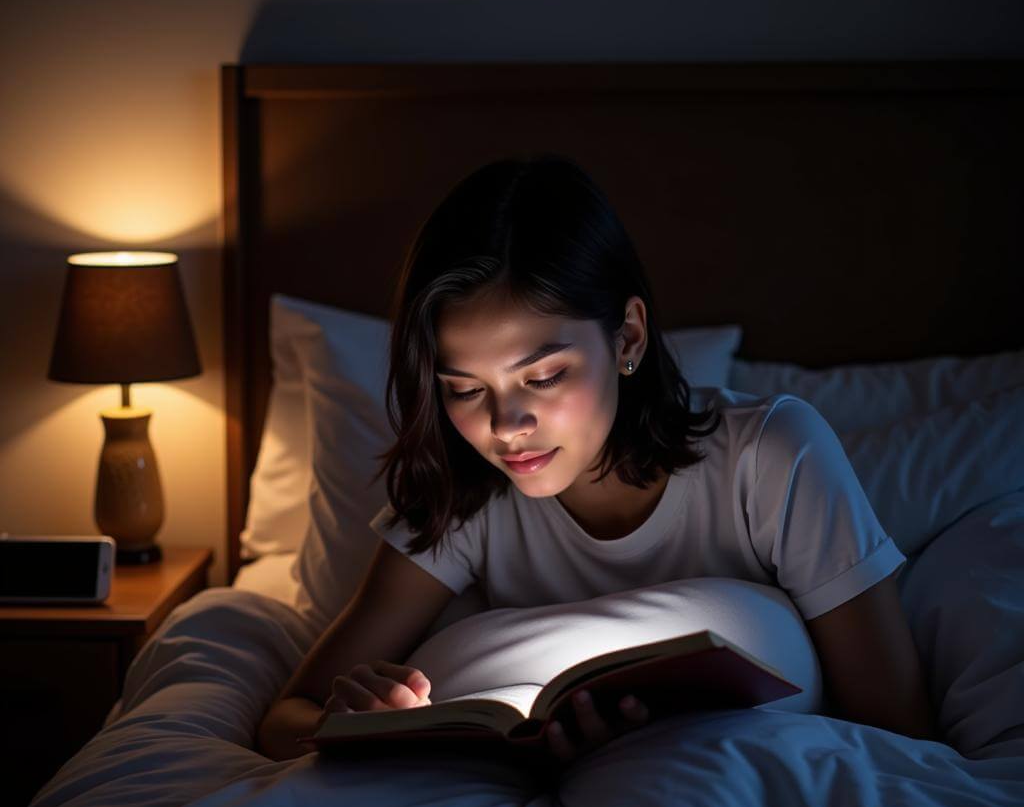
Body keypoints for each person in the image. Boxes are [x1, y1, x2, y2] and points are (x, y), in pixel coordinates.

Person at [257, 153, 936, 763]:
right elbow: (285, 718)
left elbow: (899, 731)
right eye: (464, 389)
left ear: (628, 337)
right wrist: (359, 720)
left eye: (545, 375)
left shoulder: (771, 457)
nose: (504, 426)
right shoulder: (462, 496)